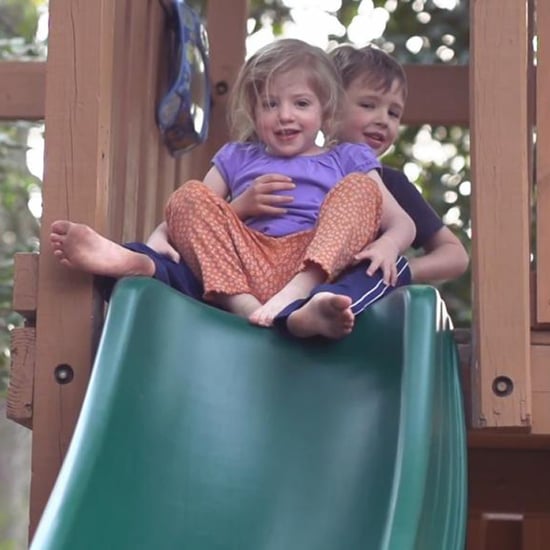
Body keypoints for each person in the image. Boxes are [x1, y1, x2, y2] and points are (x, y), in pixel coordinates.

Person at [156, 39, 417, 327]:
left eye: (301, 103)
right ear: (254, 113)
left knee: (362, 188)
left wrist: (388, 245)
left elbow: (403, 224)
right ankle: (242, 305)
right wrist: (162, 235)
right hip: (245, 264)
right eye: (270, 104)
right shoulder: (236, 157)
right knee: (189, 193)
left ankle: (299, 296)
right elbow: (191, 209)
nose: (285, 115)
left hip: (314, 262)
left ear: (325, 111)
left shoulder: (347, 158)